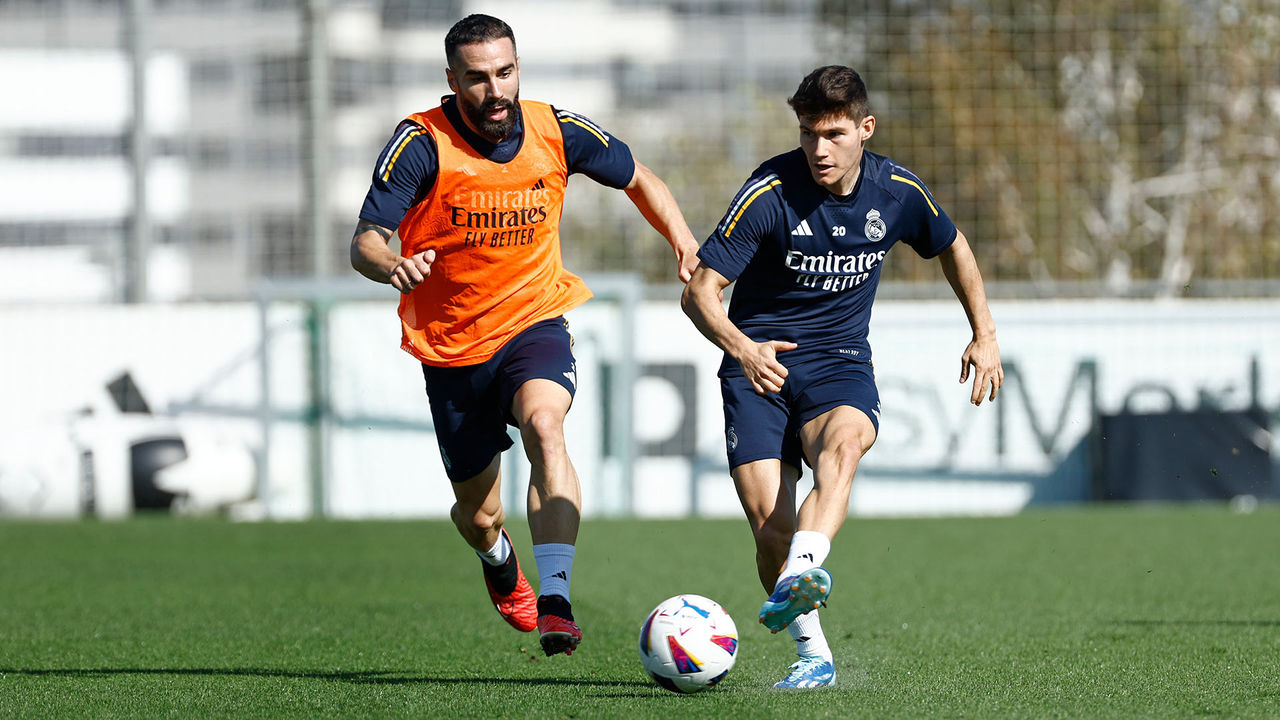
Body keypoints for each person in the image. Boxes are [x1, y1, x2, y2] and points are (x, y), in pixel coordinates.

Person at [350, 13, 699, 657]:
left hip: (534, 320)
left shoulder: (555, 129)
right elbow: (366, 238)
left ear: (519, 69)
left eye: (505, 72)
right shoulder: (420, 143)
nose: (495, 91)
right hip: (452, 347)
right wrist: (392, 263)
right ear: (452, 80)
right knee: (479, 515)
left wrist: (683, 241)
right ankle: (499, 558)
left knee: (546, 426)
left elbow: (638, 177)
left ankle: (558, 601)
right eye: (478, 78)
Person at [681, 65, 1003, 688]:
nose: (818, 150)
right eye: (807, 134)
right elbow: (700, 294)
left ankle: (806, 566)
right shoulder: (769, 190)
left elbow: (953, 244)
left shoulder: (897, 191)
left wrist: (985, 334)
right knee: (769, 525)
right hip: (758, 364)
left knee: (845, 445)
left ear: (865, 128)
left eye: (832, 134)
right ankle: (813, 654)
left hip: (838, 360)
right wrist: (744, 349)